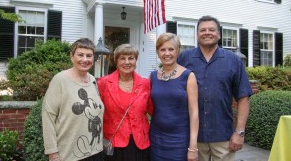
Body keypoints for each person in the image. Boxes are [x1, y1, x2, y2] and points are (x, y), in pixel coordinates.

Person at [178, 15, 253, 161]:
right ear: (197, 34)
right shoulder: (184, 59)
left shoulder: (233, 61)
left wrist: (240, 133)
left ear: (219, 34)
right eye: (202, 30)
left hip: (223, 135)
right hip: (193, 137)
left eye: (211, 30)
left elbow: (243, 97)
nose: (207, 33)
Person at [42, 38, 104, 161]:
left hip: (95, 151)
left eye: (89, 56)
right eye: (80, 55)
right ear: (72, 56)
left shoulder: (92, 80)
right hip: (69, 155)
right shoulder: (60, 80)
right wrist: (52, 153)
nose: (85, 60)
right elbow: (48, 116)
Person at [97, 44, 153, 161]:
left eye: (131, 58)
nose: (127, 62)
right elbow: (97, 112)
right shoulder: (104, 83)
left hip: (140, 143)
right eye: (122, 58)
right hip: (114, 142)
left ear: (135, 61)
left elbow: (152, 111)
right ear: (116, 61)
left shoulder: (145, 84)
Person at [150, 33, 199, 161]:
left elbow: (194, 112)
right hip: (156, 139)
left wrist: (193, 146)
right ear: (158, 52)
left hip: (179, 140)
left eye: (171, 49)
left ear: (178, 51)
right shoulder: (153, 77)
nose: (167, 53)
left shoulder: (188, 76)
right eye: (163, 49)